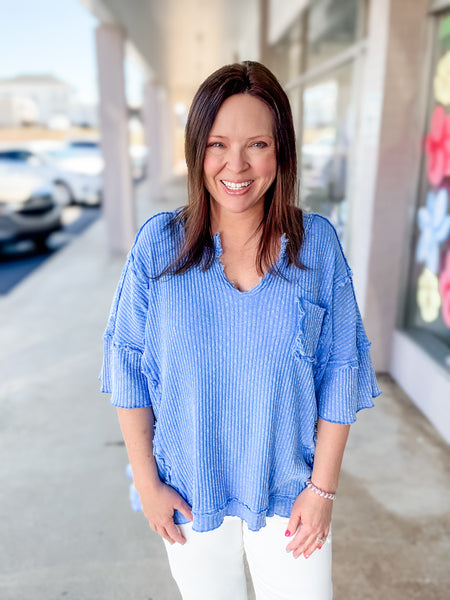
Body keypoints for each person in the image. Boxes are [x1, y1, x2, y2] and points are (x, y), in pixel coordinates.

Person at [100, 61, 382, 600]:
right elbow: (129, 367)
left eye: (257, 144)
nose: (236, 164)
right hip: (188, 495)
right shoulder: (157, 246)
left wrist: (323, 489)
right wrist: (146, 483)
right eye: (217, 144)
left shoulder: (315, 245)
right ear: (195, 150)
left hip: (290, 495)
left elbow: (340, 371)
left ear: (281, 153)